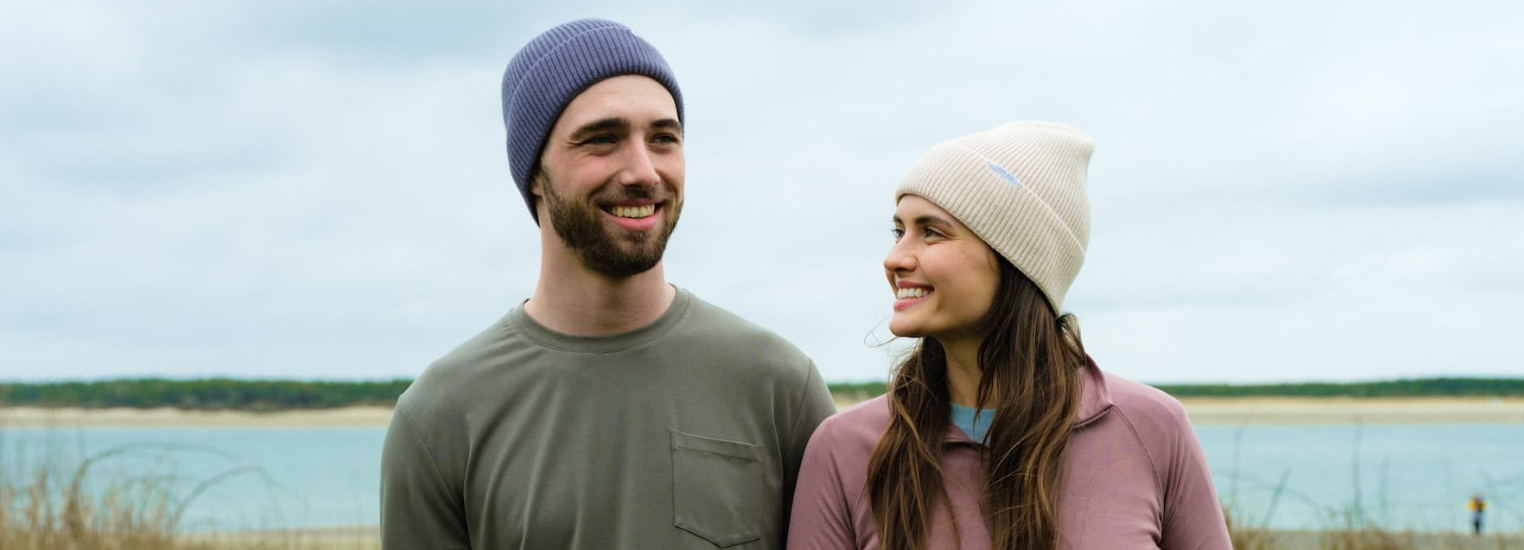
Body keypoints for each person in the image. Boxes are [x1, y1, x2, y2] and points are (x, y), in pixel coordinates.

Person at [380, 19, 835, 549]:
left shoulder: (778, 383)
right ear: (533, 172)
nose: (643, 171)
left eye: (663, 138)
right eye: (602, 140)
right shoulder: (440, 415)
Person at [787, 122, 1232, 549]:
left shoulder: (1152, 430)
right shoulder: (845, 448)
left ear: (1018, 259)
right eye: (898, 230)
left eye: (932, 233)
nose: (895, 258)